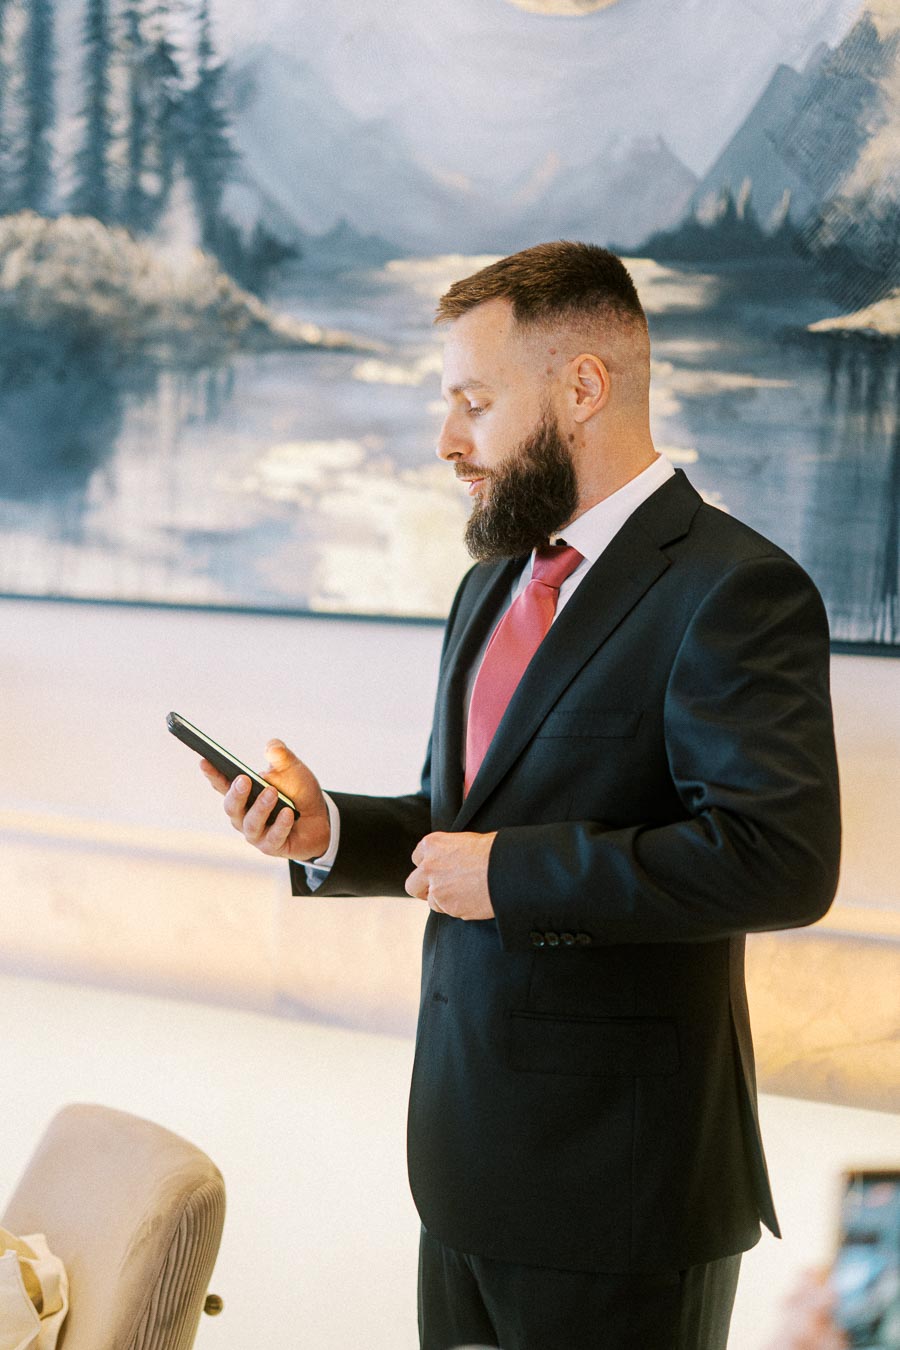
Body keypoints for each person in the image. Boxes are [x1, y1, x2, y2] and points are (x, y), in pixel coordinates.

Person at [200, 242, 842, 1350]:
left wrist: (510, 872)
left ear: (583, 388)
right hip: (461, 1174)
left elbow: (777, 858)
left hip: (625, 1202)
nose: (449, 443)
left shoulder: (737, 589)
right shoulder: (490, 580)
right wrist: (331, 831)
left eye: (475, 403)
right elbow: (465, 819)